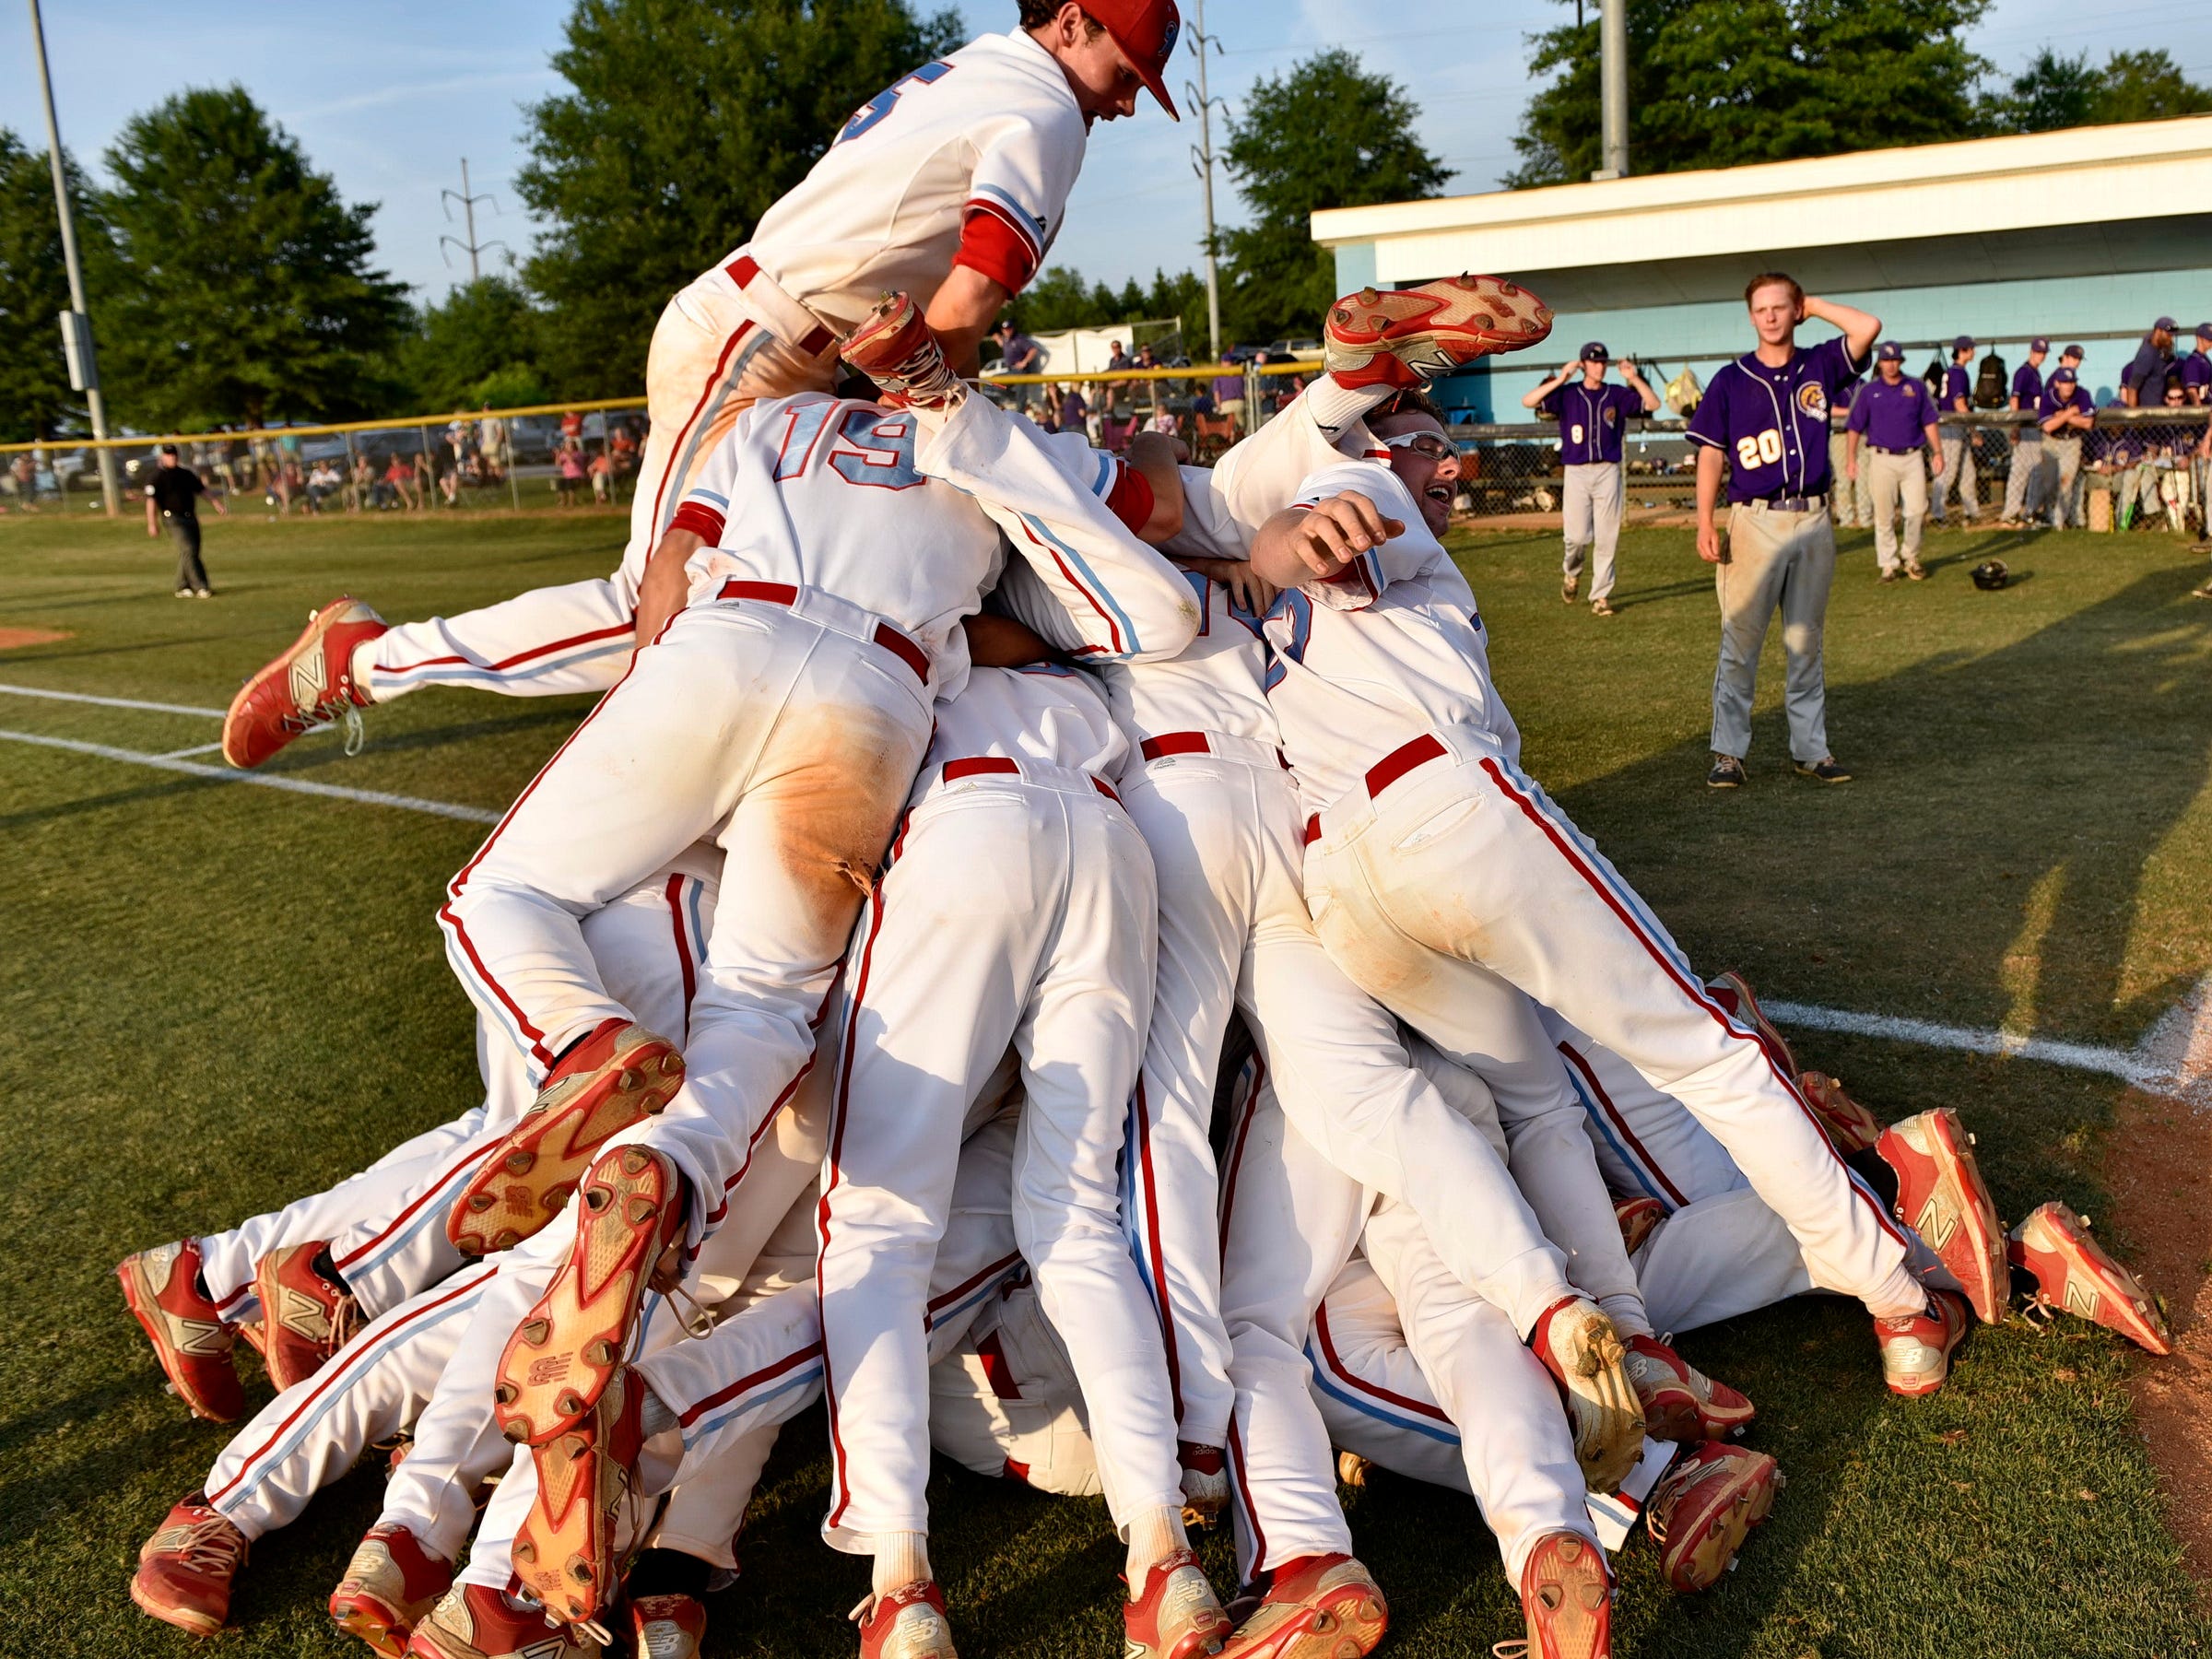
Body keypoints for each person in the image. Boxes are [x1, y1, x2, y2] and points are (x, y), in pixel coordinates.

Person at [218, 0, 1184, 772]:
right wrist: (940, 411)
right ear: (1070, 22)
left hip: (790, 346)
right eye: (1125, 72)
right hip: (759, 342)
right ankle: (366, 663)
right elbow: (971, 291)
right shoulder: (1047, 105)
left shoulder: (986, 69)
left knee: (772, 587)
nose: (1126, 101)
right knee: (662, 594)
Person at [1687, 273, 1878, 788]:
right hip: (1754, 519)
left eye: (1781, 307)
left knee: (1805, 641)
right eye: (1761, 309)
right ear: (1751, 317)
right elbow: (1710, 453)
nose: (1771, 316)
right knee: (1741, 641)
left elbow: (1868, 327)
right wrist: (1706, 519)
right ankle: (1728, 753)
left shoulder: (1819, 363)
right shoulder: (1731, 379)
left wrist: (1812, 301)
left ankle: (1811, 751)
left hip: (1813, 518)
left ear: (1795, 311)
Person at [1521, 342, 1659, 617]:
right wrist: (1561, 378)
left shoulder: (1616, 394)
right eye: (1594, 362)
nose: (1600, 366)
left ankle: (1600, 597)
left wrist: (1633, 379)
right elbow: (1529, 401)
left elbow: (1653, 403)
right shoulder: (1569, 394)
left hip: (1608, 470)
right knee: (1577, 537)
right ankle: (1571, 574)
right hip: (1577, 471)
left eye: (1603, 362)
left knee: (1608, 537)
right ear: (1583, 364)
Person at [1843, 342, 1940, 582]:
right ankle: (1888, 564)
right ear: (1880, 363)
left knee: (1917, 511)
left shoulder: (1915, 387)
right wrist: (1851, 459)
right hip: (1881, 457)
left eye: (1895, 359)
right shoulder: (1868, 391)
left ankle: (1911, 556)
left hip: (1912, 456)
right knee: (1884, 515)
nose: (1891, 364)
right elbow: (1854, 426)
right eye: (1886, 360)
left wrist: (1937, 451)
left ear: (1901, 361)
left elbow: (1929, 420)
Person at [144, 442, 226, 598]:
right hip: (173, 519)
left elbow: (202, 490)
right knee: (189, 550)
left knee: (189, 553)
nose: (172, 457)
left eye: (174, 454)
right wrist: (152, 523)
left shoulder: (185, 474)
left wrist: (216, 504)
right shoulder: (156, 477)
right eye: (168, 455)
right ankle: (201, 586)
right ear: (163, 457)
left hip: (190, 517)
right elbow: (151, 501)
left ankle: (182, 586)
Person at [1997, 336, 2051, 528]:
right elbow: (2014, 400)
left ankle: (2021, 512)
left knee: (2027, 471)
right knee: (2027, 471)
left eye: (2043, 353)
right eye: (2038, 352)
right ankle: (2022, 512)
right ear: (2031, 351)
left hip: (2033, 427)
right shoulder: (2024, 372)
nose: (2041, 356)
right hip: (2025, 427)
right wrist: (2015, 426)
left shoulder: (2035, 373)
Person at [2037, 365, 2094, 529]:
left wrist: (2060, 416)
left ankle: (2058, 522)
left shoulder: (2082, 394)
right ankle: (2047, 516)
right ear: (2057, 383)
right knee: (2049, 483)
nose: (2068, 385)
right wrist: (2070, 414)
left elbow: (2088, 423)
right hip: (2051, 441)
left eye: (2071, 382)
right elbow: (2047, 427)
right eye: (2064, 382)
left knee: (2066, 483)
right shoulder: (2048, 397)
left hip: (2072, 441)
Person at [1933, 335, 1979, 524]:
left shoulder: (1953, 371)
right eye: (1970, 349)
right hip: (1951, 427)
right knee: (1948, 473)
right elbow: (1959, 404)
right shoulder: (1958, 372)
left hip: (1957, 428)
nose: (1973, 352)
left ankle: (1972, 511)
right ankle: (1938, 514)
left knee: (1968, 472)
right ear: (1962, 351)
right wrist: (1973, 430)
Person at [2121, 315, 2177, 407]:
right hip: (2147, 414)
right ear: (2158, 331)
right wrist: (2134, 417)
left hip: (2156, 411)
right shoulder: (2147, 354)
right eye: (2168, 335)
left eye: (2172, 336)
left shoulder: (2158, 351)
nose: (2170, 338)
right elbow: (2133, 387)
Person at [994, 316, 1045, 406]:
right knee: (995, 382)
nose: (1007, 331)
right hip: (1011, 370)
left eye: (1009, 329)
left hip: (1020, 371)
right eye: (1005, 329)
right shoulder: (1006, 340)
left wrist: (1024, 362)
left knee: (1021, 396)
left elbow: (1033, 350)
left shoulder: (1019, 339)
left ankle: (1020, 410)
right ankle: (1011, 398)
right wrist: (997, 338)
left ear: (1013, 329)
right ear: (1002, 330)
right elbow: (1002, 343)